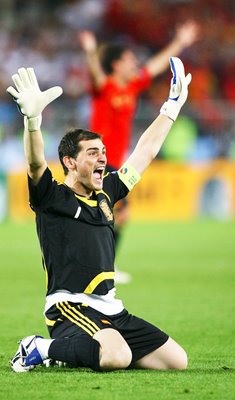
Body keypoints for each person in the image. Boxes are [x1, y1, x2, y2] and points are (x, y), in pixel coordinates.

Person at [7, 56, 191, 373]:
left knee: (176, 361)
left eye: (103, 152)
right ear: (69, 162)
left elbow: (144, 152)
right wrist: (32, 121)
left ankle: (102, 347)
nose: (102, 159)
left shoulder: (108, 193)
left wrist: (171, 107)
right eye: (92, 153)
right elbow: (36, 164)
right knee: (117, 357)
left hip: (111, 308)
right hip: (70, 305)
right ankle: (38, 347)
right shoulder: (51, 197)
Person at [79, 22, 199, 283]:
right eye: (129, 59)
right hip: (98, 159)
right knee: (116, 212)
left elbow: (155, 66)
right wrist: (90, 52)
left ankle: (100, 265)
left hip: (113, 160)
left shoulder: (132, 85)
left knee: (113, 213)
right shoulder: (106, 86)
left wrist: (180, 41)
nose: (135, 63)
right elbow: (96, 74)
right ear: (116, 65)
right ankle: (103, 266)